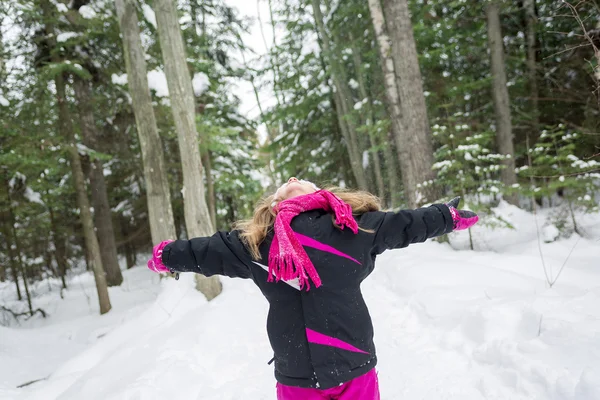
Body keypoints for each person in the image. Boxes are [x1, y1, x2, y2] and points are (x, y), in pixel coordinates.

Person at [147, 178, 479, 400]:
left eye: (298, 180)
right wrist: (168, 255)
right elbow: (207, 250)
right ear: (275, 205)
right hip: (297, 375)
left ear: (320, 194)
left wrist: (445, 216)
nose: (291, 181)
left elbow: (406, 224)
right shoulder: (257, 243)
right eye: (283, 185)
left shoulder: (354, 226)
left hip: (355, 366)